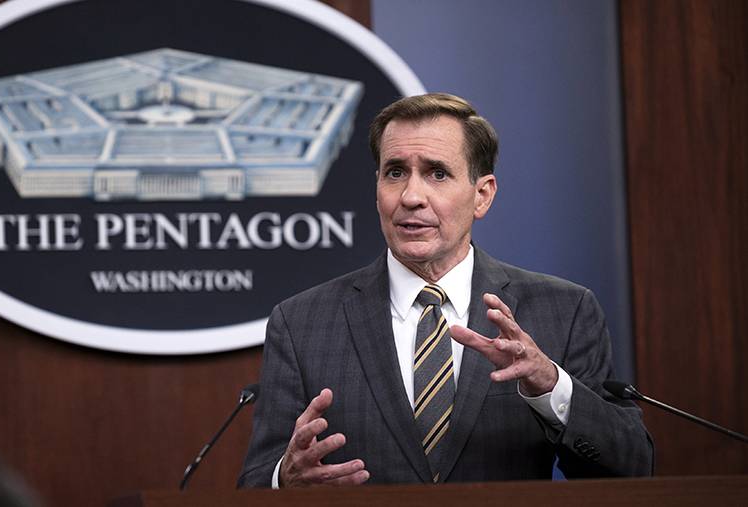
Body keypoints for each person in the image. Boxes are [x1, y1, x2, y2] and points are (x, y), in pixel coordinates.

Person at [238, 93, 653, 487]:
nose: (411, 196)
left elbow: (631, 468)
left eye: (437, 173)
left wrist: (550, 387)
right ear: (377, 188)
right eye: (395, 172)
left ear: (482, 195)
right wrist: (284, 480)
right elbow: (256, 483)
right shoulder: (302, 323)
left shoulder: (563, 311)